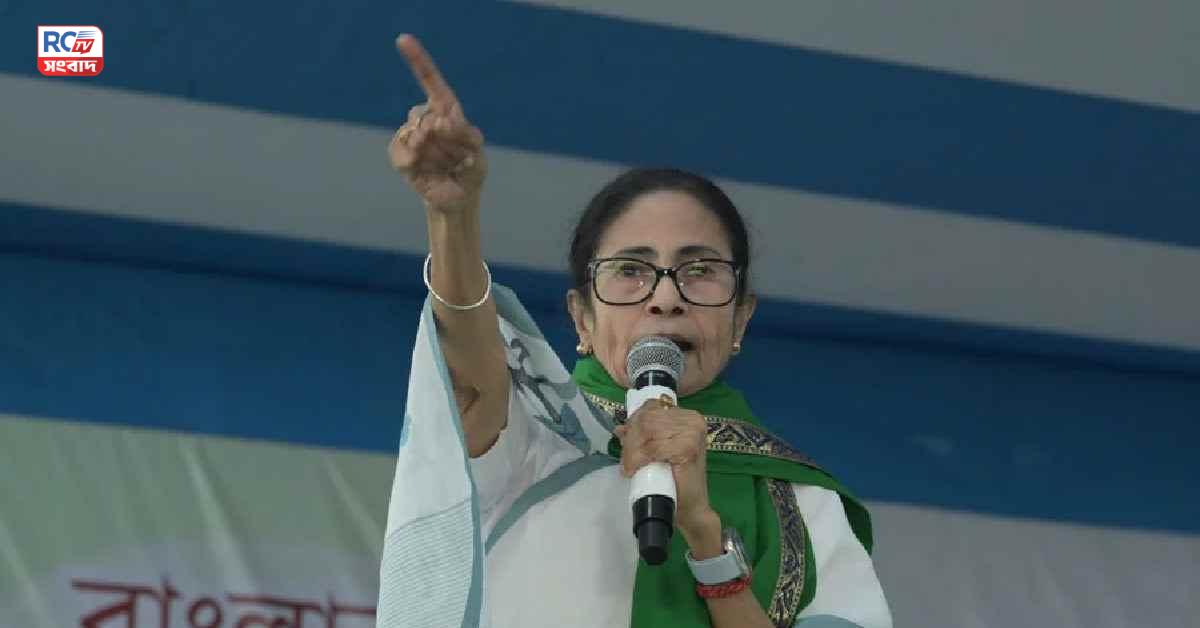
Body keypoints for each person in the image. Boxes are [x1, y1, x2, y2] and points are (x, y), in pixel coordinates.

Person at [376, 34, 892, 628]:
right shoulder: (531, 439)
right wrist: (452, 215)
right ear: (582, 318)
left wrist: (705, 540)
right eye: (630, 271)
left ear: (741, 318)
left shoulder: (802, 505)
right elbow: (468, 378)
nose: (666, 297)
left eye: (700, 271)